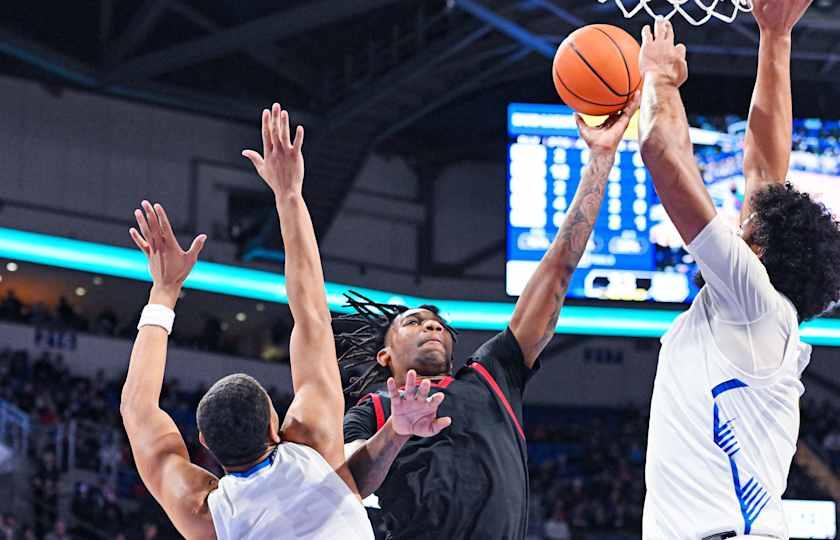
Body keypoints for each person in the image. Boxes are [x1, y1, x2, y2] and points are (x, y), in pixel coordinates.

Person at [120, 104, 445, 539]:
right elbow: (311, 313)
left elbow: (137, 410)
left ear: (204, 443)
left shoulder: (203, 515)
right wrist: (288, 194)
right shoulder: (310, 442)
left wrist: (162, 294)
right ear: (276, 424)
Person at [341, 93, 641, 539]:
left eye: (437, 323)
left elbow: (557, 271)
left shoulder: (492, 375)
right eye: (412, 321)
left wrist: (600, 158)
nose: (430, 325)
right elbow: (342, 488)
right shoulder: (372, 412)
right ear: (385, 356)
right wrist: (396, 433)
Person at [637, 4, 840, 539]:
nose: (736, 227)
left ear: (761, 255)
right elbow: (765, 168)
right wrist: (775, 37)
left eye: (746, 230)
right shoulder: (760, 313)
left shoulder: (753, 303)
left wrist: (657, 79)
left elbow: (660, 153)